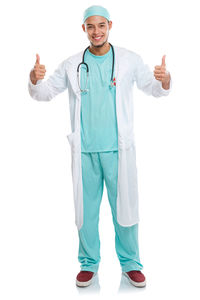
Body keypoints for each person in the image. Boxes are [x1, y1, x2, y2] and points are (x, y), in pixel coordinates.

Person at [28, 5, 171, 288]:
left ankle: (131, 264)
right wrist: (34, 79)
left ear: (110, 26)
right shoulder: (71, 63)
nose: (96, 32)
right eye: (91, 27)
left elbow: (153, 89)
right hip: (85, 152)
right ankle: (88, 264)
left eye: (101, 26)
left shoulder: (129, 60)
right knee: (87, 213)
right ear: (84, 29)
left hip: (118, 151)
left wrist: (164, 80)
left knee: (125, 210)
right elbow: (44, 94)